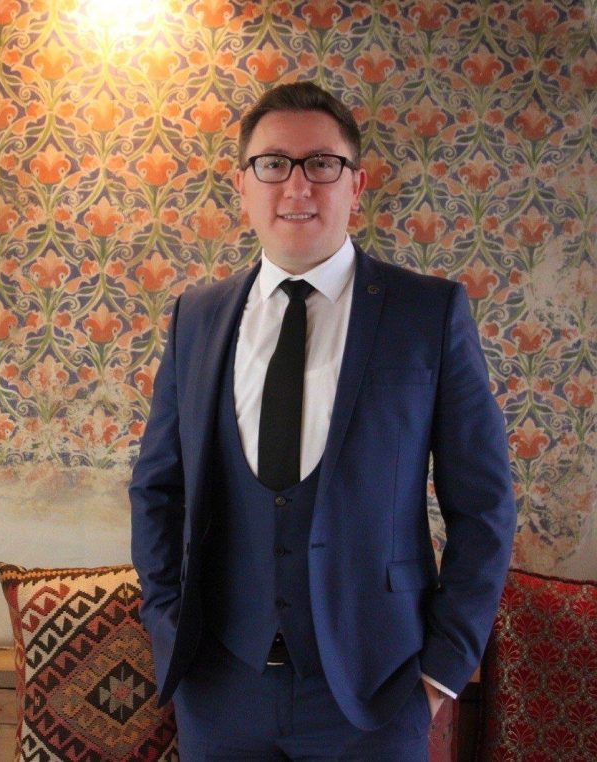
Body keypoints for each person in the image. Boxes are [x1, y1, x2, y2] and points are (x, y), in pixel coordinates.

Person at [130, 81, 516, 760]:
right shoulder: (198, 317)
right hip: (220, 690)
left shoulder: (428, 314)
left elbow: (483, 505)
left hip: (378, 693)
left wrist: (443, 669)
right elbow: (158, 488)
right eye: (273, 164)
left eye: (322, 164)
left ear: (356, 185)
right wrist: (167, 625)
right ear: (242, 185)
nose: (297, 185)